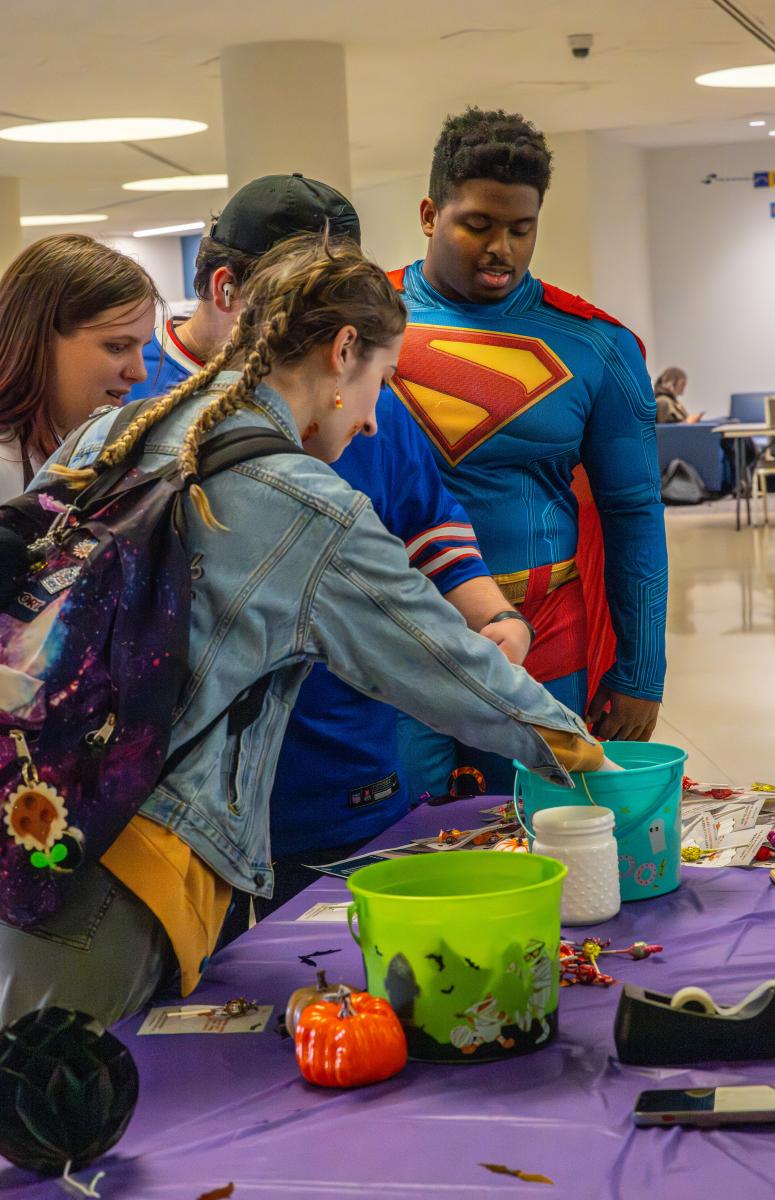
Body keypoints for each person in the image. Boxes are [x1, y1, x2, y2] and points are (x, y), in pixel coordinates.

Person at [0, 232, 609, 1027]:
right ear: (342, 350)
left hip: (33, 807)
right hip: (131, 867)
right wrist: (589, 758)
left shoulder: (103, 435)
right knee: (70, 1118)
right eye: (378, 384)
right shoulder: (310, 505)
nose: (368, 422)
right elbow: (454, 672)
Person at [130, 174, 533, 914]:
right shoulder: (135, 402)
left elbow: (427, 520)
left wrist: (495, 620)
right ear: (229, 289)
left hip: (341, 769)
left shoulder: (358, 390)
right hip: (181, 795)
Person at [389, 107, 668, 798]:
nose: (501, 249)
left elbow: (633, 510)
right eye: (477, 225)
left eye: (521, 229)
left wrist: (640, 672)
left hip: (545, 629)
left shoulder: (597, 345)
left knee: (541, 829)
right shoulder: (358, 325)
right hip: (389, 627)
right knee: (396, 846)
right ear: (430, 213)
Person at [0, 233, 159, 502]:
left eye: (142, 347)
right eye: (117, 347)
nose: (139, 373)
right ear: (41, 341)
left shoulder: (77, 450)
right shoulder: (7, 462)